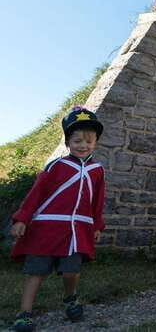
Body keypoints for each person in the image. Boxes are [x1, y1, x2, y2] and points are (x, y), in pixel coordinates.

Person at [8, 106, 106, 332]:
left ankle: (70, 298)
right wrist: (22, 219)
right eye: (77, 140)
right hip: (46, 229)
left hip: (76, 232)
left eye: (89, 141)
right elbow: (36, 194)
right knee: (36, 272)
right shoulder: (56, 166)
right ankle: (24, 314)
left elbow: (97, 201)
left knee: (72, 271)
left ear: (95, 143)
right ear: (68, 142)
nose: (83, 145)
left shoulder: (97, 171)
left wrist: (97, 225)